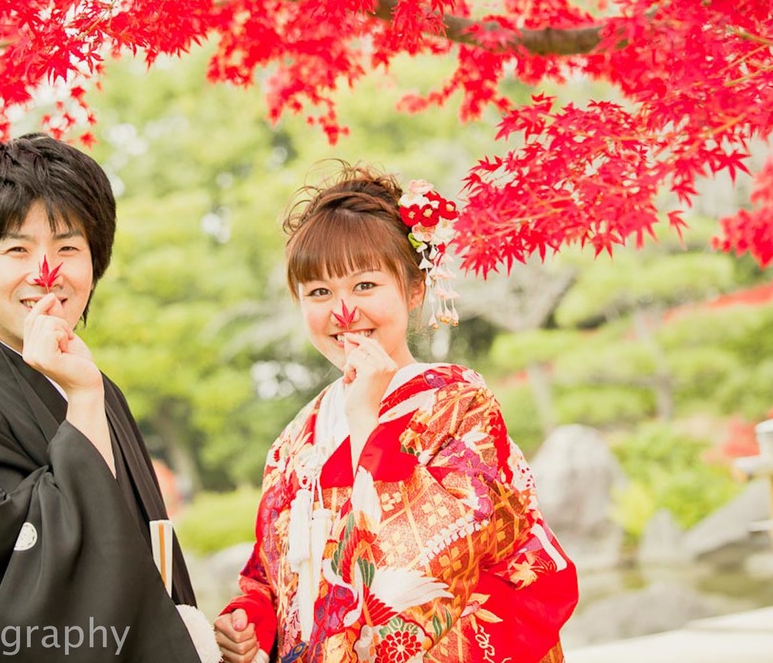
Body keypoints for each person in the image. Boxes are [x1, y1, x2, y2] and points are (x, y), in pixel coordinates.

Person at [214, 163, 578, 662]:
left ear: (413, 290)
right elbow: (271, 572)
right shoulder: (296, 440)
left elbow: (435, 565)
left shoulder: (456, 405)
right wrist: (250, 618)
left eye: (365, 285)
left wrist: (368, 419)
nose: (343, 313)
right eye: (319, 292)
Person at [0, 134, 205, 662]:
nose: (48, 274)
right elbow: (15, 614)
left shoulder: (95, 389)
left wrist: (189, 629)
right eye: (17, 249)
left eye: (68, 248)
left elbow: (147, 556)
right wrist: (83, 399)